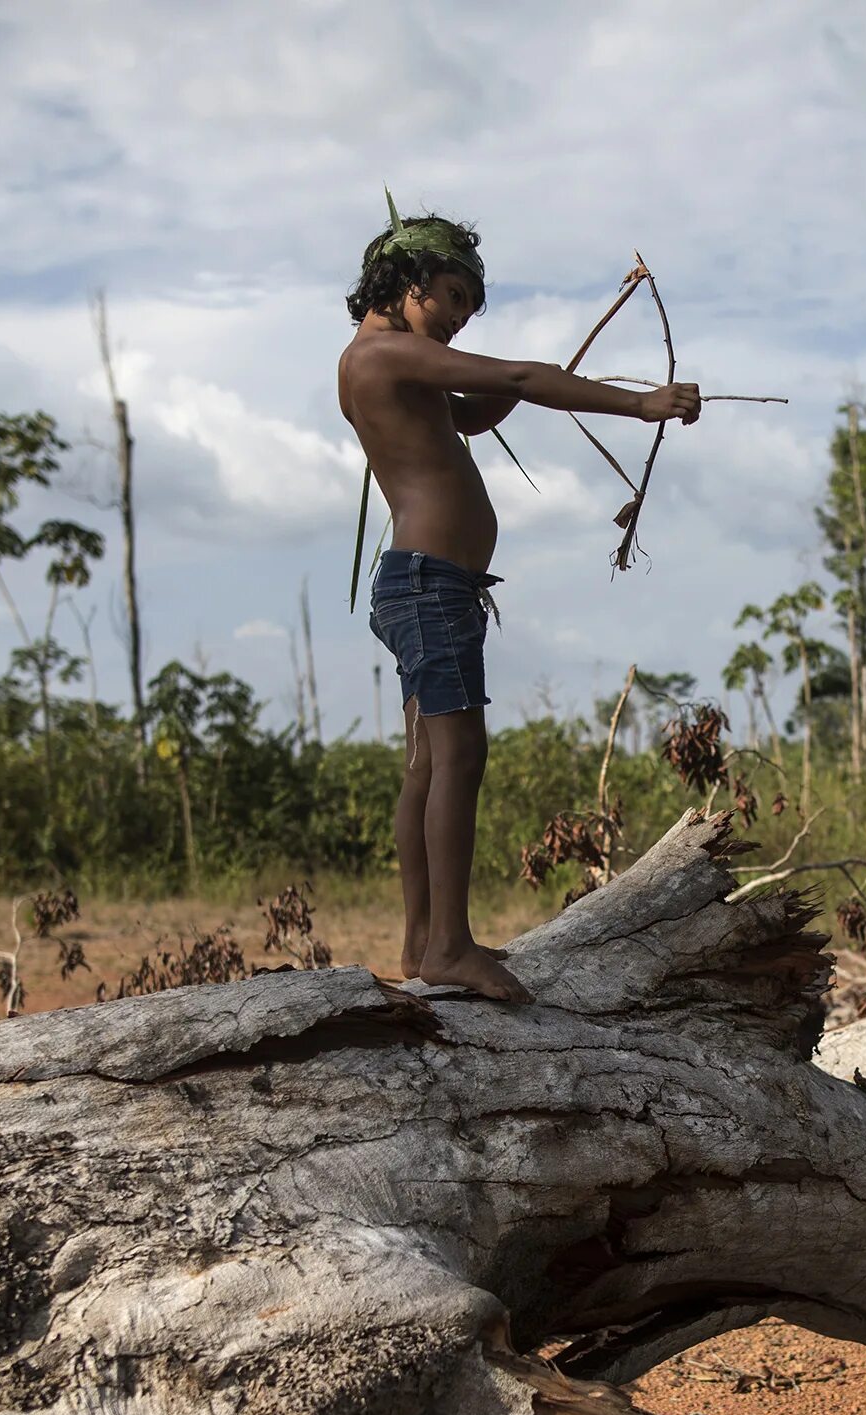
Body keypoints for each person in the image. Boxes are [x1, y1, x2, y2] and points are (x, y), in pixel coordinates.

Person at [338, 208, 700, 1002]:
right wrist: (641, 403)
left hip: (431, 583)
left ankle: (422, 942)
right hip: (429, 582)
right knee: (458, 753)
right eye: (450, 299)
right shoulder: (378, 357)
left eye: (468, 310)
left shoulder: (394, 364)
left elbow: (477, 408)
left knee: (429, 760)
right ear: (405, 283)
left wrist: (539, 384)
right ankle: (447, 945)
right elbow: (515, 378)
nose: (456, 320)